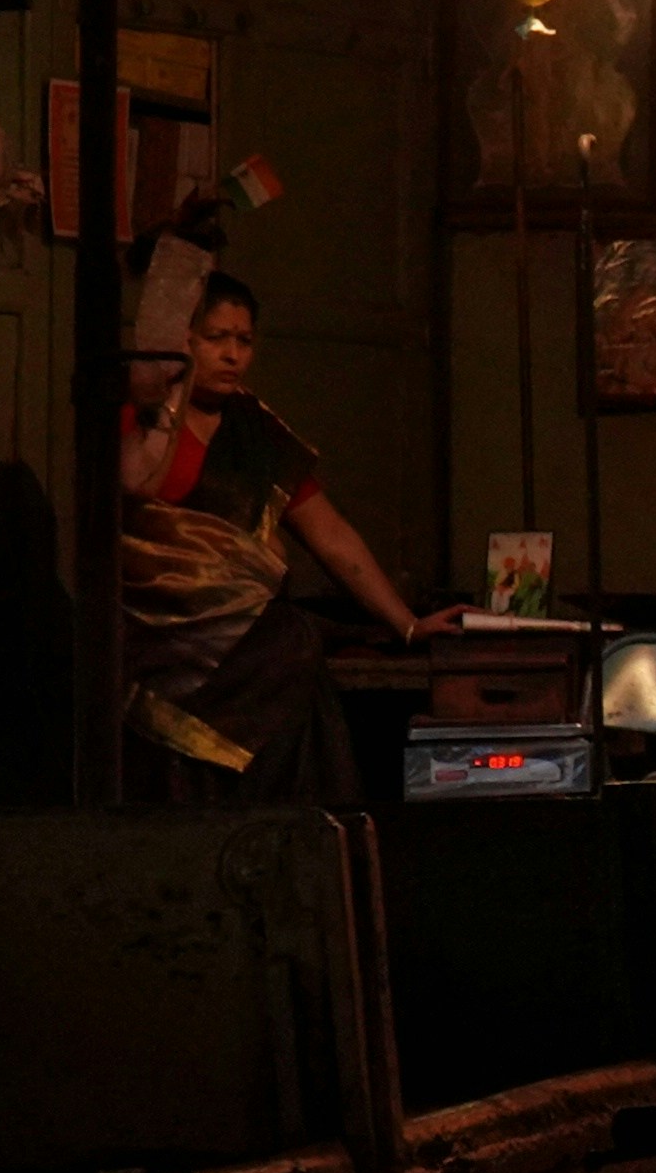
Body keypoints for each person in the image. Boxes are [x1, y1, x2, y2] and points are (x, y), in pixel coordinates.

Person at [119, 273, 449, 799]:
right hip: (160, 651)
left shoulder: (259, 436)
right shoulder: (139, 418)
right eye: (215, 338)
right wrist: (165, 399)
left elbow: (332, 536)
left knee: (292, 642)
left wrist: (406, 625)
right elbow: (133, 487)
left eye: (243, 341)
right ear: (182, 338)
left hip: (255, 658)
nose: (232, 355)